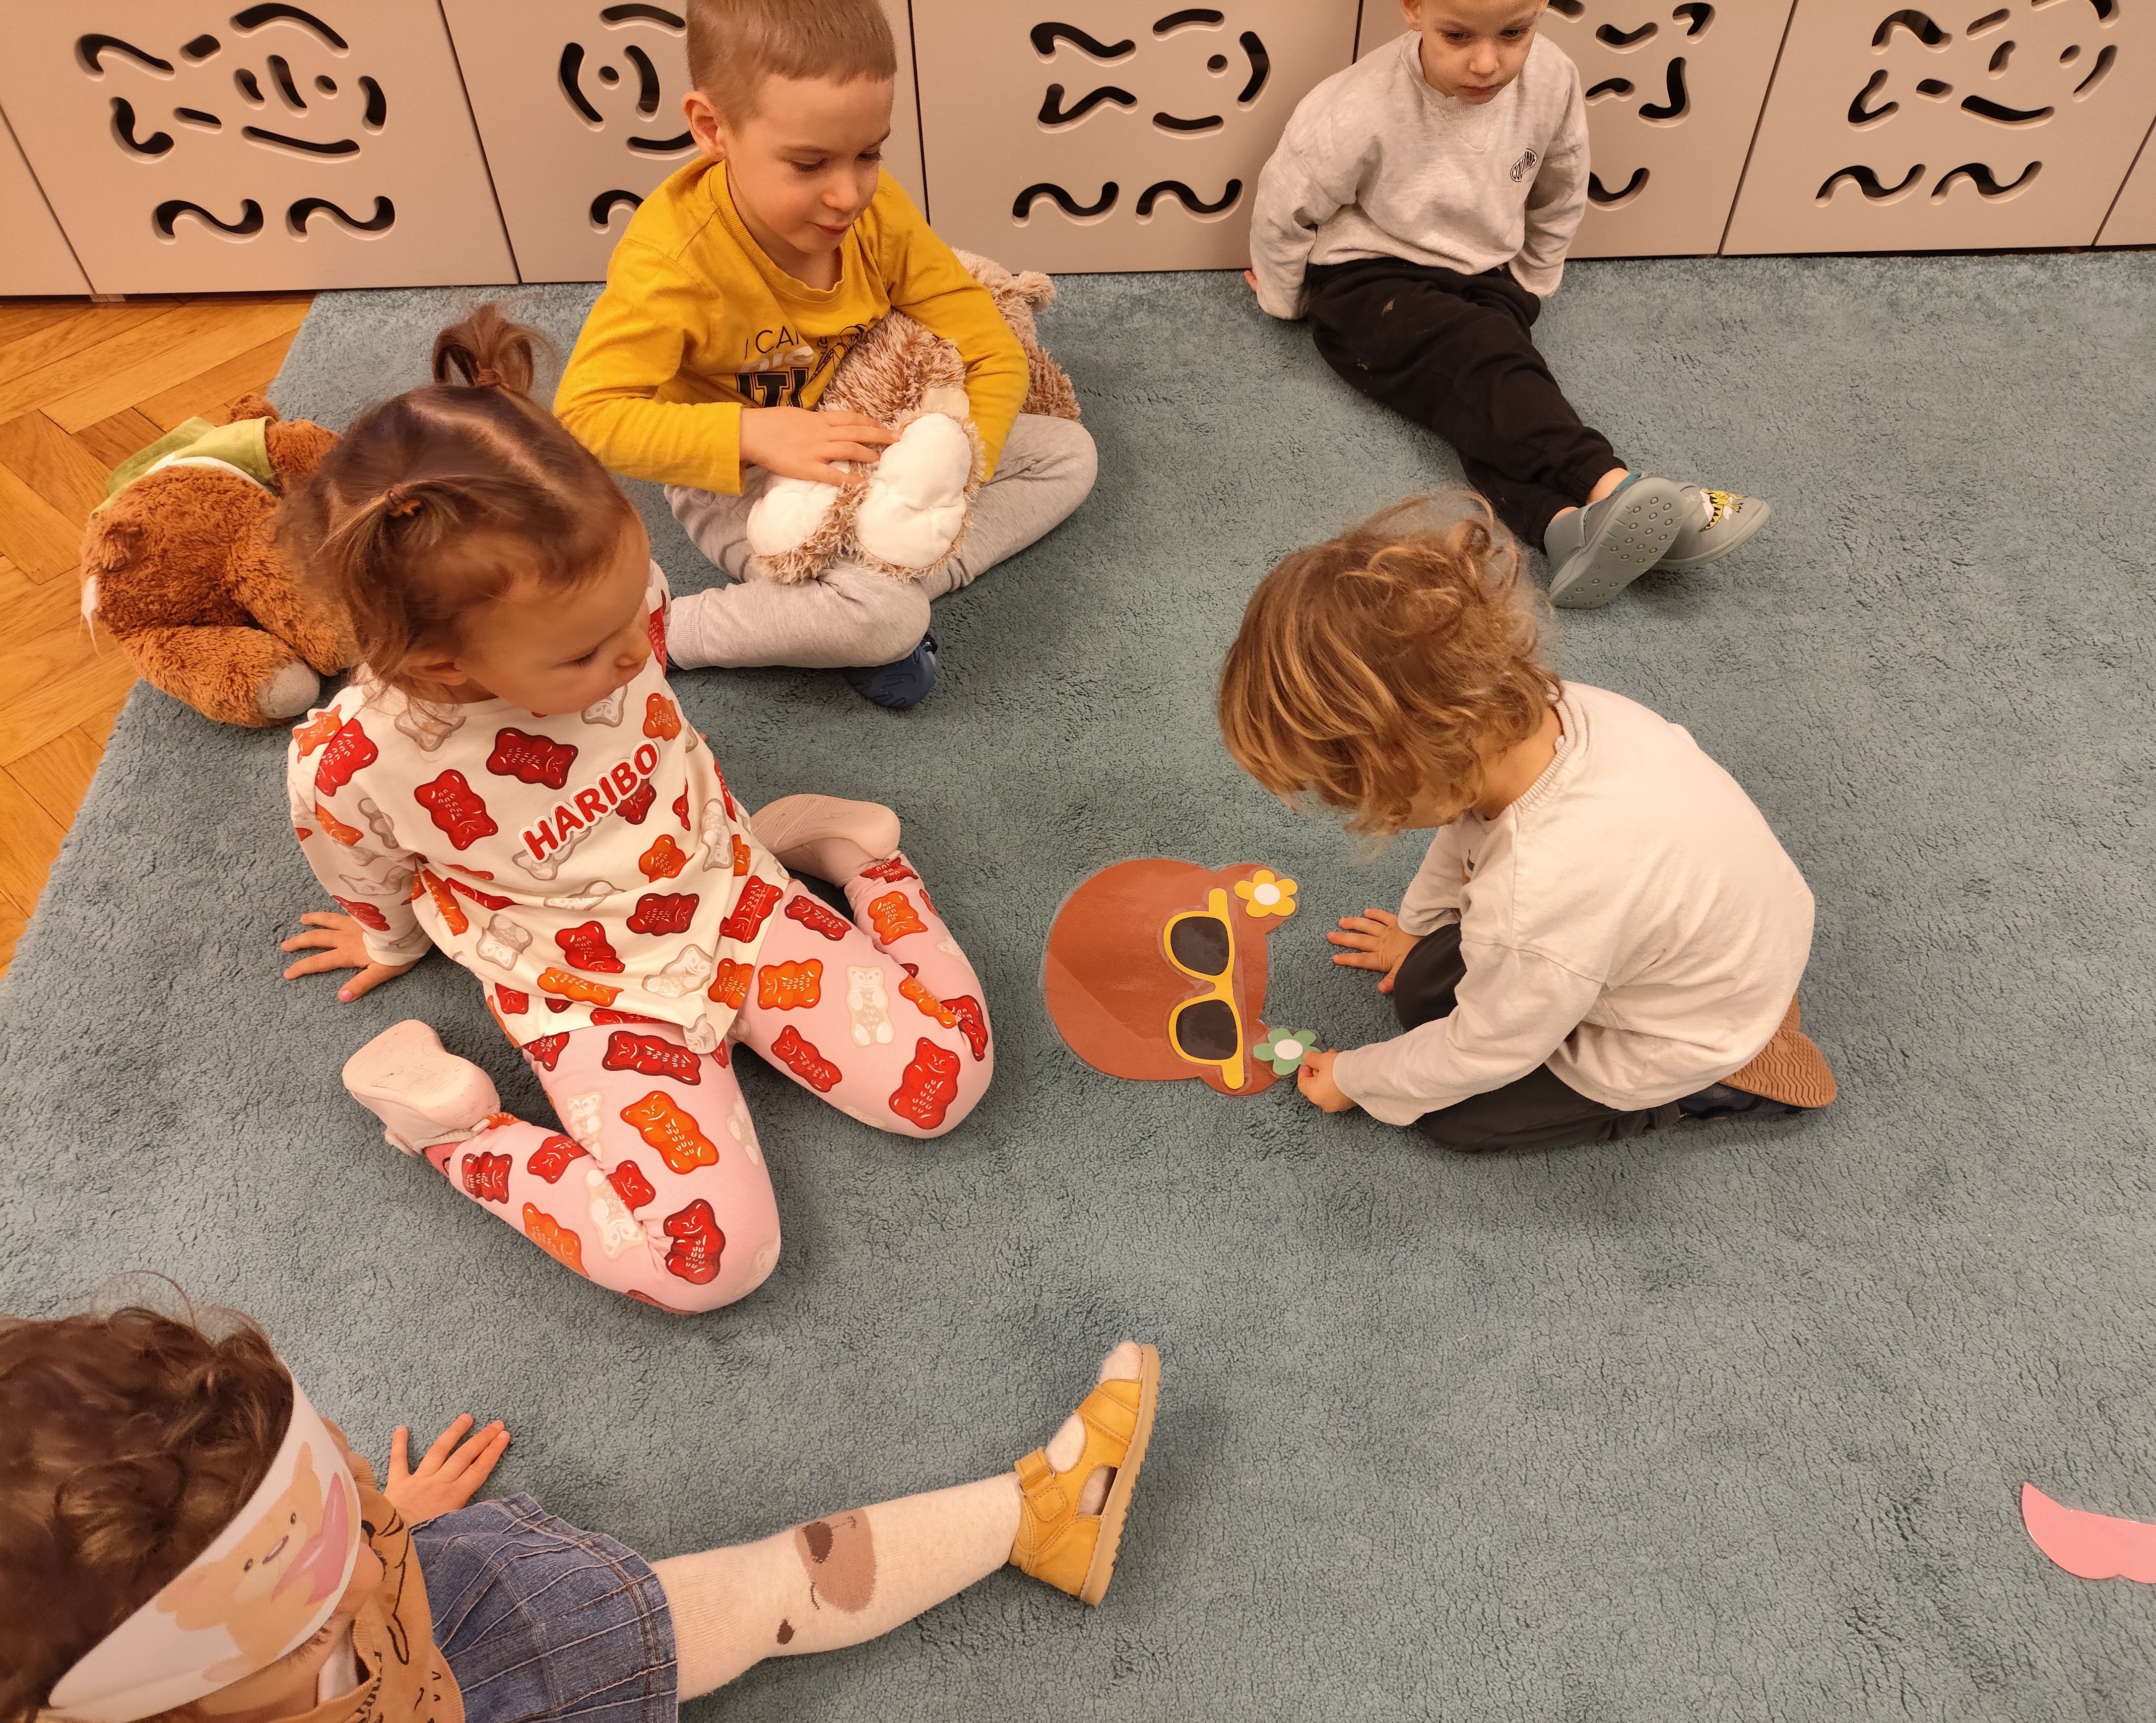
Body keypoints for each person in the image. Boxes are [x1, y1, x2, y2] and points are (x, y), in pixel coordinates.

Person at [277, 306, 994, 1314]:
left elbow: (632, 631)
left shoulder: (615, 601)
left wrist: (610, 640)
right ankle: (456, 1129)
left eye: (630, 605)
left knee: (947, 1081)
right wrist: (388, 941)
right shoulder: (354, 762)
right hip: (590, 994)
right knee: (708, 1264)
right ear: (441, 665)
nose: (637, 648)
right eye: (586, 650)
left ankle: (855, 857)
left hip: (731, 895)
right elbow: (361, 861)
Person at [0, 1298, 1161, 1723]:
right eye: (306, 1622)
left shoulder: (370, 1559)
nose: (371, 1568)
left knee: (757, 1590)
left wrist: (378, 1519)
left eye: (337, 1490)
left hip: (483, 1614)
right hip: (526, 1689)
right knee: (760, 1595)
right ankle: (1036, 1518)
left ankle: (1039, 1517)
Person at [1216, 498, 1834, 1152]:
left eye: (1354, 796)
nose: (1359, 816)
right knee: (1424, 989)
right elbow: (1466, 829)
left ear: (1418, 761)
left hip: (1681, 1029)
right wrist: (1416, 932)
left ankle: (1711, 1087)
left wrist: (1357, 1078)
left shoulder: (1537, 895)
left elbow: (1482, 1053)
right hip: (1713, 935)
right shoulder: (1541, 718)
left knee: (1458, 1119)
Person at [553, 0, 1098, 708]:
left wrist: (943, 482)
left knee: (1069, 455)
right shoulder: (672, 266)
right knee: (884, 618)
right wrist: (753, 434)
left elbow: (990, 347)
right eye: (809, 164)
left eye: (869, 153)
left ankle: (861, 588)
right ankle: (667, 632)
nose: (848, 195)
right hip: (742, 476)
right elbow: (586, 418)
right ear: (713, 128)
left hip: (876, 431)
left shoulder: (878, 212)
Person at [1244, 0, 1770, 608]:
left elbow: (1561, 185)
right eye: (1457, 36)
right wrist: (1285, 298)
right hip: (1369, 279)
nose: (1486, 63)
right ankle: (1611, 482)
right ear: (1413, 9)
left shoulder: (1552, 77)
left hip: (1484, 273)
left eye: (1514, 33)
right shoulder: (1354, 106)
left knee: (1486, 408)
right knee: (1486, 360)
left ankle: (1564, 528)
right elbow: (1284, 205)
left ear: (1540, 10)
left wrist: (1532, 284)